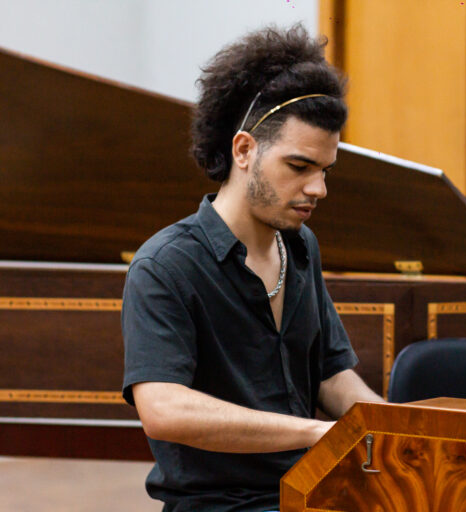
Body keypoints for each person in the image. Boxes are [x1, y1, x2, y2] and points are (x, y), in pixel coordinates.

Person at [121, 25, 383, 511]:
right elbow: (163, 409)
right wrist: (314, 432)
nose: (318, 189)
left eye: (325, 171)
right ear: (244, 150)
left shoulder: (301, 247)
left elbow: (330, 375)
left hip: (311, 492)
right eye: (300, 167)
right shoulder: (164, 266)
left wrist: (397, 432)